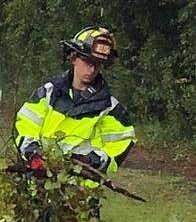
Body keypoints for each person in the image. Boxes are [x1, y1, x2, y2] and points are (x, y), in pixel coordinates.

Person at [14, 26, 136, 176]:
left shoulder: (110, 108)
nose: (91, 69)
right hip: (39, 179)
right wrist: (33, 152)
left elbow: (120, 146)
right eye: (87, 61)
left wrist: (92, 160)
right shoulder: (49, 93)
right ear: (73, 57)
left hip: (81, 191)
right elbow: (25, 124)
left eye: (97, 64)